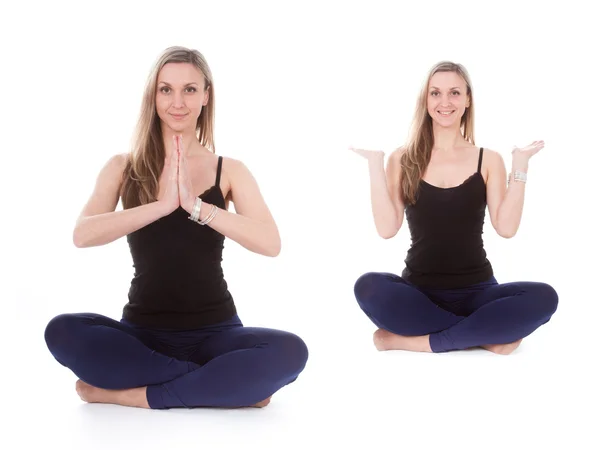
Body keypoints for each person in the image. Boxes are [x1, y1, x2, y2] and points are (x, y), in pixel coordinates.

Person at [44, 46, 308, 409]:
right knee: (61, 330)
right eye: (166, 89)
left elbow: (270, 243)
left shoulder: (229, 170)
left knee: (291, 351)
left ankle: (137, 395)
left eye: (189, 89)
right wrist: (161, 206)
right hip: (142, 336)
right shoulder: (123, 167)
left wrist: (198, 208)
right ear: (152, 96)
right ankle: (218, 382)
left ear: (205, 96)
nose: (177, 101)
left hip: (216, 333)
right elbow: (83, 234)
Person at [351, 61, 558, 355]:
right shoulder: (402, 158)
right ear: (426, 100)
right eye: (435, 93)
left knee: (544, 297)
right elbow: (387, 229)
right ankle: (484, 335)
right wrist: (375, 165)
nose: (445, 102)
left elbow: (507, 228)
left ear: (467, 99)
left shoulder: (488, 159)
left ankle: (409, 341)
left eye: (454, 93)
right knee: (368, 286)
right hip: (419, 294)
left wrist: (520, 166)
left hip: (478, 291)